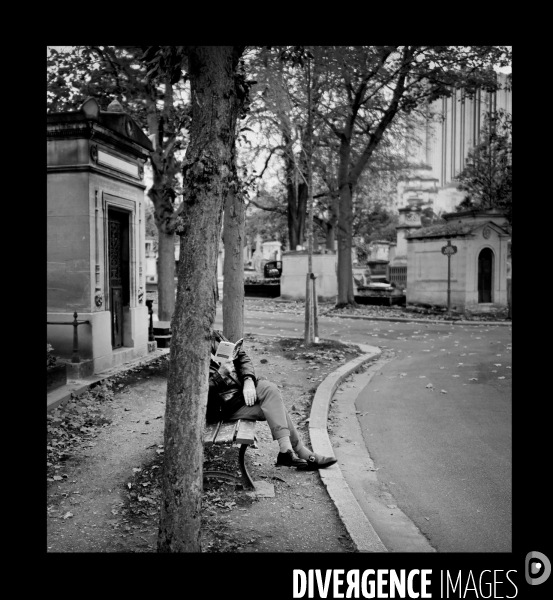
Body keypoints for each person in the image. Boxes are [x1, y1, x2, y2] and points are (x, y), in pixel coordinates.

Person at [206, 330, 337, 470]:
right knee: (275, 406)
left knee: (270, 390)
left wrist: (248, 380)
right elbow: (198, 393)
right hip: (224, 405)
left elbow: (242, 356)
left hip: (240, 392)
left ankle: (287, 452)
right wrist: (220, 375)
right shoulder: (188, 352)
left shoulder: (214, 336)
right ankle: (299, 452)